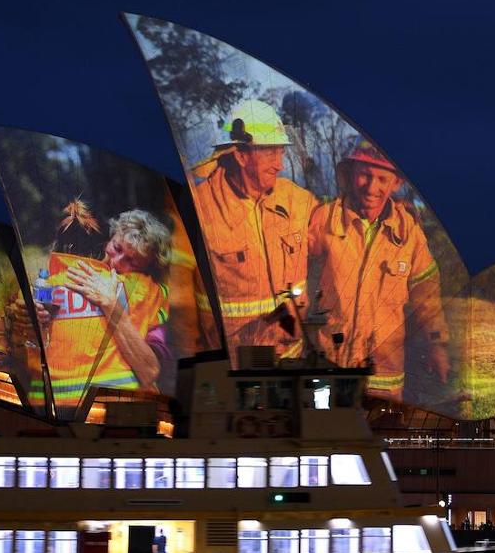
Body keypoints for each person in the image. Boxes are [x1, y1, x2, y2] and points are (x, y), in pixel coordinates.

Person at [306, 140, 448, 401]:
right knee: (321, 434)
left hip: (383, 373)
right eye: (365, 175)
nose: (372, 188)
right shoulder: (324, 218)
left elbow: (427, 298)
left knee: (381, 436)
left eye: (382, 178)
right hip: (327, 363)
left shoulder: (409, 235)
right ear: (351, 174)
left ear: (396, 184)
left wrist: (436, 344)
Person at [14, 203, 173, 412]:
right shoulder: (45, 283)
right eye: (116, 248)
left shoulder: (146, 292)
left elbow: (150, 370)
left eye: (131, 262)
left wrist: (110, 304)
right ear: (109, 238)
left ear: (145, 269)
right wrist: (32, 323)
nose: (116, 261)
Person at [190, 100, 318, 360]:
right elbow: (181, 311)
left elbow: (338, 238)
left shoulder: (299, 201)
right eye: (270, 153)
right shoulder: (200, 208)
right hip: (236, 370)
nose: (279, 165)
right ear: (241, 155)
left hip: (290, 360)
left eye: (281, 153)